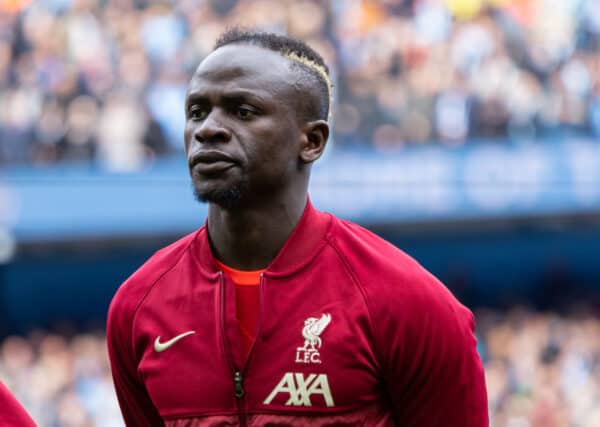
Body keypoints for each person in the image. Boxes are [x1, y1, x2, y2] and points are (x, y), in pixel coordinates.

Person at [107, 29, 488, 426]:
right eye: (197, 112)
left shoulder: (406, 302)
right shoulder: (137, 307)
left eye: (242, 111)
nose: (207, 130)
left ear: (312, 141)